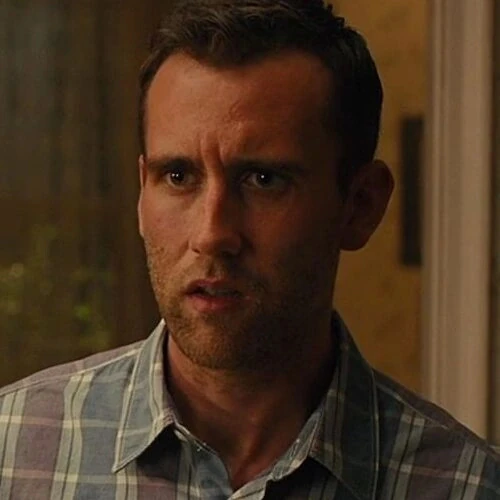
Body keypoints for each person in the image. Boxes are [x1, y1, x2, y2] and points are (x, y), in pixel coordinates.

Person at [1, 0, 499, 498]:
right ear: (141, 193)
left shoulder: (465, 485)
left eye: (263, 180)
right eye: (178, 176)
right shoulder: (14, 452)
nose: (212, 234)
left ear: (360, 206)